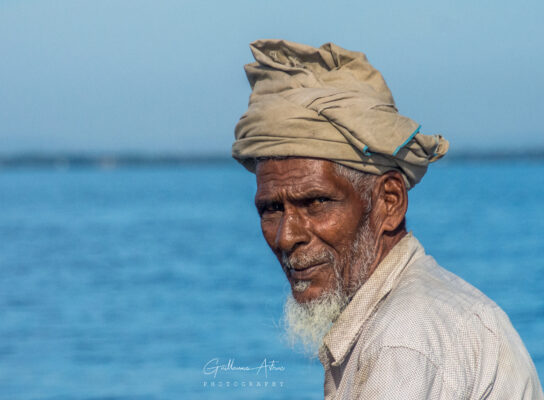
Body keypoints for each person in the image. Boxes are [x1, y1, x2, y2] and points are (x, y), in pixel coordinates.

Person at [232, 39, 544, 399]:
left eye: (317, 202)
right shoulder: (410, 312)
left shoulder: (401, 343)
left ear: (389, 201)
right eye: (271, 210)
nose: (286, 238)